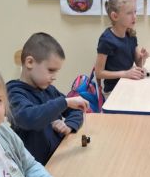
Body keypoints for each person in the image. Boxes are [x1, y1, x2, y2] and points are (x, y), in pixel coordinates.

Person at [7, 32, 89, 166]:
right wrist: (65, 102)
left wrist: (69, 125)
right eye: (51, 70)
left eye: (56, 71)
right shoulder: (13, 92)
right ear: (30, 62)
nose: (54, 76)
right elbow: (30, 118)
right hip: (35, 168)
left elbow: (76, 110)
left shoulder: (49, 90)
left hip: (57, 158)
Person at [95, 0, 149, 95]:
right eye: (129, 13)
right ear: (115, 16)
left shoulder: (131, 35)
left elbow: (138, 63)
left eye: (135, 12)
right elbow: (99, 73)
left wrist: (143, 57)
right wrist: (125, 74)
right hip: (113, 92)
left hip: (128, 84)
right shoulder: (106, 40)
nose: (134, 17)